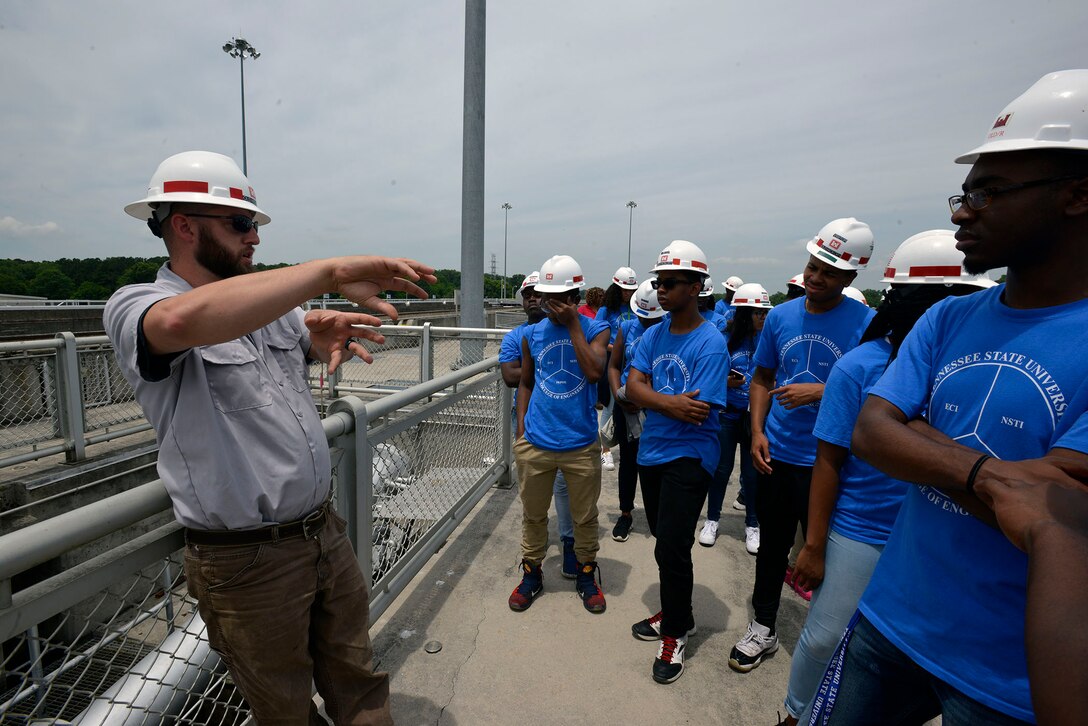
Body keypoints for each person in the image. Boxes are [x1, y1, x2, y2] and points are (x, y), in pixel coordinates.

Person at [105, 150, 437, 725]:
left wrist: (318, 331)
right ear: (183, 225)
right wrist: (328, 272)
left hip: (321, 531)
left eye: (254, 225)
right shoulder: (138, 304)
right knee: (283, 709)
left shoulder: (268, 304)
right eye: (241, 224)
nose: (253, 237)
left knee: (359, 681)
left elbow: (296, 338)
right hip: (247, 559)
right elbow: (184, 324)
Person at [813, 69, 1088, 725]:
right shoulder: (947, 320)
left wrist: (924, 439)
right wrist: (999, 480)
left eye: (990, 192)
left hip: (1005, 680)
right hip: (892, 620)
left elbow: (1068, 500)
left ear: (1078, 195)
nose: (964, 212)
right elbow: (874, 433)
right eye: (961, 196)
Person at [779, 230, 994, 725]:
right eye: (956, 300)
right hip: (863, 530)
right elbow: (829, 461)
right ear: (925, 305)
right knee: (828, 635)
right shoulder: (859, 367)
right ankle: (794, 713)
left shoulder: (968, 369)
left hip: (935, 534)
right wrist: (814, 544)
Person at [729, 218, 875, 674]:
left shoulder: (867, 324)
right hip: (780, 454)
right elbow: (762, 378)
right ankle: (764, 628)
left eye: (829, 272)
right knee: (772, 550)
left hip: (834, 463)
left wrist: (820, 390)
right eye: (812, 266)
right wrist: (757, 431)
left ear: (851, 278)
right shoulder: (780, 316)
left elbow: (878, 391)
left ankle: (825, 638)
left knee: (825, 553)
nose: (815, 277)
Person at [626, 240, 728, 684]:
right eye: (658, 282)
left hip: (692, 454)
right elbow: (632, 389)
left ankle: (675, 632)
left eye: (670, 283)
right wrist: (667, 402)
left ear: (696, 287)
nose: (661, 290)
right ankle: (674, 611)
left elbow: (698, 411)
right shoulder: (652, 334)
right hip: (653, 452)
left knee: (672, 545)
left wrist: (653, 398)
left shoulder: (711, 343)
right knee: (663, 542)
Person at [510, 255, 610, 614]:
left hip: (580, 444)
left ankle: (585, 574)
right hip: (536, 442)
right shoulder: (532, 333)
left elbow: (594, 372)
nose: (547, 304)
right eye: (543, 295)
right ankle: (532, 574)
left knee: (584, 517)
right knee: (533, 515)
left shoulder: (596, 328)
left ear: (575, 295)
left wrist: (572, 326)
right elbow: (524, 382)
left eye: (557, 297)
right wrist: (521, 429)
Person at [499, 272, 578, 579]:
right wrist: (546, 371)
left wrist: (534, 371)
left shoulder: (565, 332)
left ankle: (569, 543)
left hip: (562, 422)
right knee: (534, 492)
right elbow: (510, 376)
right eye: (527, 294)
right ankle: (535, 554)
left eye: (537, 293)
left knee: (564, 488)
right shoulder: (514, 337)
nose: (532, 298)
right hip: (527, 423)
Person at [698, 282, 771, 553]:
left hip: (756, 417)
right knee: (721, 471)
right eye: (757, 313)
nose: (763, 317)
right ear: (743, 313)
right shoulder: (725, 339)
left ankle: (753, 524)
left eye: (765, 313)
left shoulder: (769, 338)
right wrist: (724, 382)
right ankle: (712, 520)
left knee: (752, 474)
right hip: (728, 414)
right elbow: (710, 373)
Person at [608, 278, 666, 542]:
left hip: (655, 409)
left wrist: (649, 399)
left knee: (655, 463)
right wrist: (617, 396)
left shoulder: (668, 330)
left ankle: (658, 516)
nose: (645, 321)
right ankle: (626, 513)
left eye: (649, 318)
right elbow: (614, 365)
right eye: (641, 316)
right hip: (626, 406)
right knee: (628, 463)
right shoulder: (627, 327)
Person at [596, 267, 639, 471]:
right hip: (612, 361)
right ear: (615, 288)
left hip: (631, 362)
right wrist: (617, 347)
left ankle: (628, 445)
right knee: (610, 405)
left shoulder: (637, 307)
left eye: (631, 290)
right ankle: (605, 450)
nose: (628, 293)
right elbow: (596, 338)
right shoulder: (606, 311)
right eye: (624, 289)